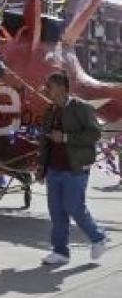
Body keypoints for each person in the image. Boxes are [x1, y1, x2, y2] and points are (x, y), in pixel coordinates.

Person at [37, 71, 107, 265]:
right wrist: (41, 167)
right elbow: (45, 141)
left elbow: (95, 134)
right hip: (53, 169)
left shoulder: (81, 108)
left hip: (75, 169)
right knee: (56, 211)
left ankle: (98, 238)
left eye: (49, 85)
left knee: (74, 207)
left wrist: (66, 138)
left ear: (61, 88)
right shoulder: (50, 110)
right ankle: (60, 252)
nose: (46, 89)